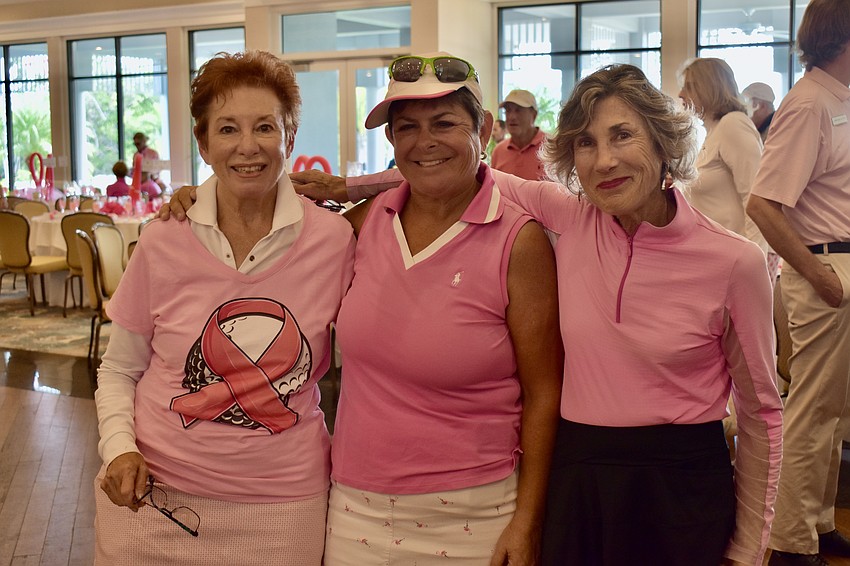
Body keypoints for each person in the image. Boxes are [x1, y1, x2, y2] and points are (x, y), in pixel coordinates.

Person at [291, 63, 783, 566]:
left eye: (623, 135)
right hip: (577, 477)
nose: (605, 160)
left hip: (681, 486)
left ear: (663, 141)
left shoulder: (733, 262)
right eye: (586, 143)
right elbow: (450, 166)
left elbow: (762, 413)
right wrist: (348, 188)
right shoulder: (571, 217)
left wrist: (749, 548)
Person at [162, 51, 562, 565]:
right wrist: (202, 200)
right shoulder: (365, 223)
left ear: (483, 130)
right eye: (407, 128)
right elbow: (259, 228)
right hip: (357, 507)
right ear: (391, 140)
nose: (425, 142)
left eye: (444, 123)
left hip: (476, 511)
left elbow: (544, 393)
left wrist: (528, 520)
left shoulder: (519, 241)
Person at [93, 50, 355, 565]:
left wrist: (355, 187)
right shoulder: (163, 239)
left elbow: (438, 185)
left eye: (266, 127)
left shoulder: (334, 241)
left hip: (282, 506)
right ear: (204, 143)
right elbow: (119, 368)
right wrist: (118, 447)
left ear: (290, 138)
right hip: (154, 496)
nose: (248, 146)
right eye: (228, 129)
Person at [747, 1, 850, 564]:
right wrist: (818, 276)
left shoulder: (836, 98)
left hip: (836, 265)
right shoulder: (809, 103)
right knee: (812, 411)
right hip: (823, 270)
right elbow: (762, 204)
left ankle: (816, 521)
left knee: (832, 413)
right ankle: (789, 540)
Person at [491, 89, 547, 180]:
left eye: (518, 110)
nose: (511, 117)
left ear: (534, 115)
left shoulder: (553, 147)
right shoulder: (498, 151)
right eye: (508, 111)